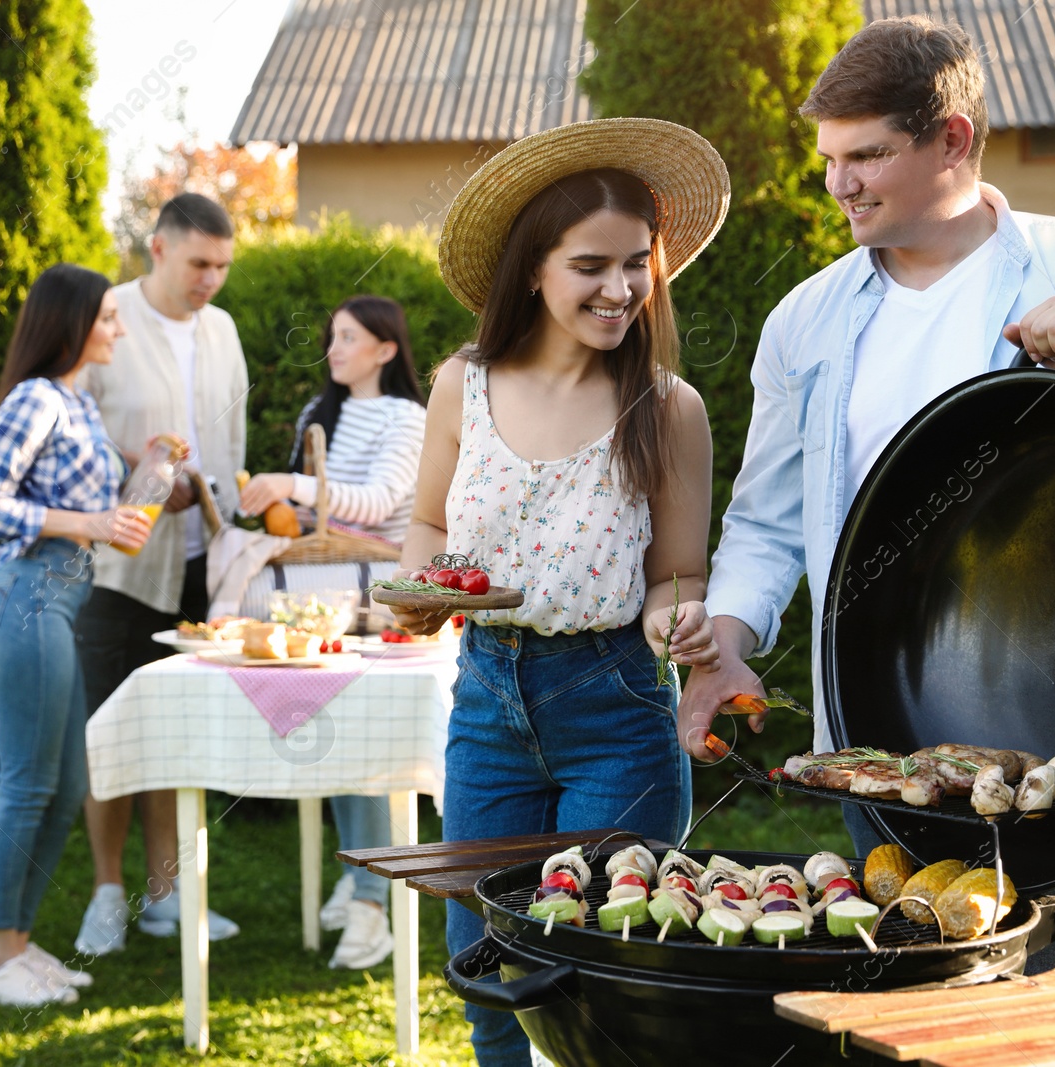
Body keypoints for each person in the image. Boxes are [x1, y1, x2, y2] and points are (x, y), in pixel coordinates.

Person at [679, 15, 1055, 973]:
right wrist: (725, 645)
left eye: (866, 155)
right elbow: (768, 523)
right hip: (875, 743)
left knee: (1052, 1025)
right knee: (897, 1015)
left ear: (952, 139)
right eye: (828, 158)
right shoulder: (804, 321)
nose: (837, 184)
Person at [389, 117, 729, 1066]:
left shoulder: (667, 409)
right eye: (592, 265)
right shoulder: (463, 384)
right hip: (487, 699)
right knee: (488, 970)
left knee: (609, 970)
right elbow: (427, 528)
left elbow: (675, 576)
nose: (621, 288)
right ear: (533, 266)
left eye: (638, 263)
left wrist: (680, 624)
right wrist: (422, 587)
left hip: (616, 704)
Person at [0, 264, 157, 1005]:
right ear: (71, 322)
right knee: (28, 783)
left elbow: (108, 518)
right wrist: (90, 523)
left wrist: (154, 466)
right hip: (22, 597)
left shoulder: (75, 402)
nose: (120, 328)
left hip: (58, 600)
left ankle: (13, 941)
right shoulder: (36, 397)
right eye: (108, 316)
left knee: (69, 781)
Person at [71, 193, 249, 956]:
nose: (212, 279)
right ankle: (107, 893)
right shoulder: (104, 315)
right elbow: (68, 428)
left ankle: (170, 896)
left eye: (222, 266)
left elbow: (231, 443)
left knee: (183, 737)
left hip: (200, 566)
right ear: (159, 249)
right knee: (111, 730)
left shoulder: (225, 329)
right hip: (117, 566)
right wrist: (138, 471)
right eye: (199, 263)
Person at [239, 294, 427, 969]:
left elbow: (377, 505)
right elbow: (310, 512)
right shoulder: (322, 414)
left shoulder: (408, 416)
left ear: (385, 348)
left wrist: (293, 484)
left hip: (377, 594)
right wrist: (277, 501)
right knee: (339, 731)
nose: (335, 348)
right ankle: (360, 880)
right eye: (332, 336)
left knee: (362, 734)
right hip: (326, 589)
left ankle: (373, 903)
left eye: (350, 337)